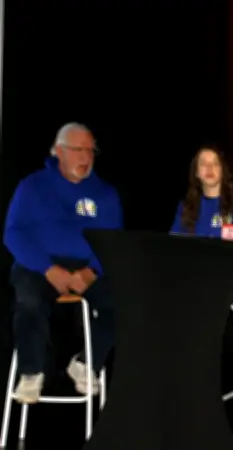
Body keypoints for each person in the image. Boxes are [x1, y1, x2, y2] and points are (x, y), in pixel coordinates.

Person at [3, 122, 123, 404]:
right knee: (29, 300)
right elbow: (13, 233)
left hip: (88, 266)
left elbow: (114, 241)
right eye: (78, 150)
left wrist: (92, 271)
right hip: (40, 265)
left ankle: (85, 363)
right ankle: (31, 372)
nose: (86, 157)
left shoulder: (105, 194)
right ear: (59, 151)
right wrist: (48, 268)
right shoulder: (32, 186)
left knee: (126, 301)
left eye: (91, 150)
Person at [170, 146, 233, 236]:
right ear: (196, 172)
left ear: (222, 170)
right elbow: (174, 241)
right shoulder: (185, 209)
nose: (209, 168)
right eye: (203, 164)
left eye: (215, 163)